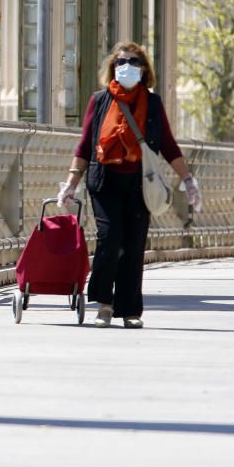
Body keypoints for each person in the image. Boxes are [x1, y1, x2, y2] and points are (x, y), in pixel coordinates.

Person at [57, 42, 202, 328]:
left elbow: (168, 146)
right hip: (105, 181)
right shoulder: (99, 101)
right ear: (112, 67)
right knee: (110, 239)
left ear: (144, 69)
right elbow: (86, 144)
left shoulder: (153, 103)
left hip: (140, 183)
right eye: (121, 62)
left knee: (134, 245)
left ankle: (130, 310)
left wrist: (188, 180)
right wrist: (70, 184)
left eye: (134, 62)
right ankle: (104, 304)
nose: (127, 67)